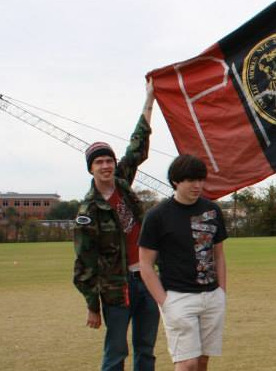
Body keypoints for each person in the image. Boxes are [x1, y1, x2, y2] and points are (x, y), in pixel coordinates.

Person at [73, 80, 159, 371]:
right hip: (116, 289)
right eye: (99, 163)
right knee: (116, 352)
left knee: (146, 349)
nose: (107, 166)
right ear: (91, 169)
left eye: (109, 160)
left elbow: (138, 145)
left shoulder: (123, 182)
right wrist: (91, 305)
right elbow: (84, 264)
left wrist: (149, 100)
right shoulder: (88, 211)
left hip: (147, 279)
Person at [139, 155, 228, 371]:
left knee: (203, 361)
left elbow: (219, 255)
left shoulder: (212, 210)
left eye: (200, 179)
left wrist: (221, 292)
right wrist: (164, 302)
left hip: (212, 296)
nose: (197, 185)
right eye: (191, 180)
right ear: (176, 181)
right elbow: (145, 264)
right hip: (178, 297)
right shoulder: (157, 216)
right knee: (187, 362)